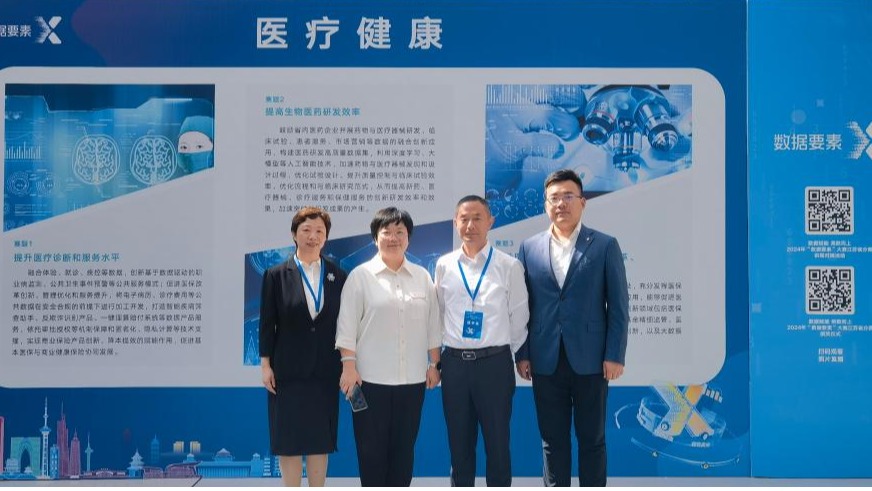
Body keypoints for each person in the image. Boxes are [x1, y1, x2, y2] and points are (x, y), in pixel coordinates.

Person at [515, 169, 629, 486]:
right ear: (545, 204)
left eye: (568, 196)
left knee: (592, 440)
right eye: (554, 198)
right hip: (545, 360)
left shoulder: (604, 245)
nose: (561, 204)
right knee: (552, 441)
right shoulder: (529, 248)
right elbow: (522, 307)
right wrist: (522, 354)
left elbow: (618, 306)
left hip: (591, 360)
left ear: (582, 202)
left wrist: (615, 354)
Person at [335, 207, 442, 487]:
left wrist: (434, 364)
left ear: (409, 238)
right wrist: (348, 367)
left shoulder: (422, 277)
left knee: (404, 451)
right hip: (369, 382)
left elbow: (433, 325)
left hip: (412, 381)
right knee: (371, 452)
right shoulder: (360, 276)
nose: (393, 238)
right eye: (387, 232)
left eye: (400, 232)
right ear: (375, 237)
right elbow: (347, 326)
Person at [434, 195, 529, 486]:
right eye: (464, 219)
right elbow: (438, 314)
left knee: (497, 445)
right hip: (454, 366)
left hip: (494, 365)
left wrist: (511, 353)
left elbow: (519, 316)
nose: (470, 225)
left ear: (490, 222)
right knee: (459, 447)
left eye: (477, 218)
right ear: (455, 222)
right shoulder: (445, 265)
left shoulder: (508, 266)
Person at [259, 206, 347, 487]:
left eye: (319, 231)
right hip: (287, 372)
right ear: (294, 234)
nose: (313, 236)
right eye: (306, 230)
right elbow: (267, 323)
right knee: (289, 441)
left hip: (325, 371)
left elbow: (344, 325)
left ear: (326, 237)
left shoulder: (338, 275)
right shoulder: (275, 275)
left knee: (320, 440)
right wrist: (265, 365)